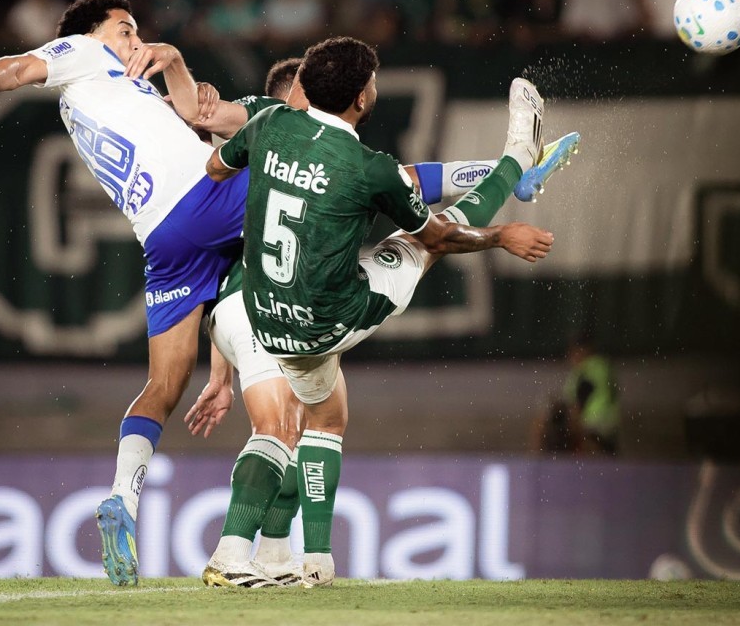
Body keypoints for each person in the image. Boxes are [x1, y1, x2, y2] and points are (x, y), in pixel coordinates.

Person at [203, 36, 555, 587]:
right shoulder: (370, 168)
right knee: (424, 245)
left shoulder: (268, 127)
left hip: (266, 314)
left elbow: (216, 168)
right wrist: (501, 235)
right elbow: (442, 233)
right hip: (328, 320)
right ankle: (517, 152)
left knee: (324, 415)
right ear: (363, 98)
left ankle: (298, 561)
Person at [0, 0, 254, 587]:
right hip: (199, 199)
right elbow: (21, 67)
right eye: (125, 30)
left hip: (163, 239)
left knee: (163, 385)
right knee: (306, 178)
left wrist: (222, 375)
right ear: (91, 36)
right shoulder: (83, 54)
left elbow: (193, 115)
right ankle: (426, 200)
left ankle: (122, 502)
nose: (136, 41)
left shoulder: (126, 91)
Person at [562, 333, 620, 454]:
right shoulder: (603, 365)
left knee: (544, 426)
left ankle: (539, 467)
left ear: (583, 351)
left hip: (594, 423)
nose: (570, 356)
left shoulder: (588, 369)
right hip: (610, 424)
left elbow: (578, 404)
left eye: (574, 351)